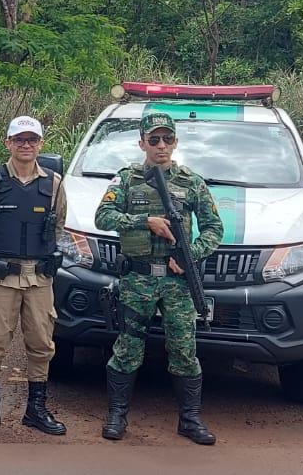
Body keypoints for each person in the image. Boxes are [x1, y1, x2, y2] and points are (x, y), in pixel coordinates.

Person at [94, 109, 223, 445]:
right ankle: (117, 414)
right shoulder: (126, 179)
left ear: (176, 142)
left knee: (184, 349)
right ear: (142, 143)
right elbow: (103, 217)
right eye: (154, 139)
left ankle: (190, 419)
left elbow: (214, 228)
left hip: (177, 284)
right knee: (127, 348)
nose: (161, 145)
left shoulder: (191, 182)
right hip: (137, 280)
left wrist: (189, 254)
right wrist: (144, 222)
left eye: (167, 139)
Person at [0, 115, 67, 437]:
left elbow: (58, 225)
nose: (26, 145)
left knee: (41, 343)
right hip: (2, 277)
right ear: (7, 143)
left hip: (39, 279)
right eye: (19, 140)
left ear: (40, 144)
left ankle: (36, 410)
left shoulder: (53, 183)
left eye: (32, 140)